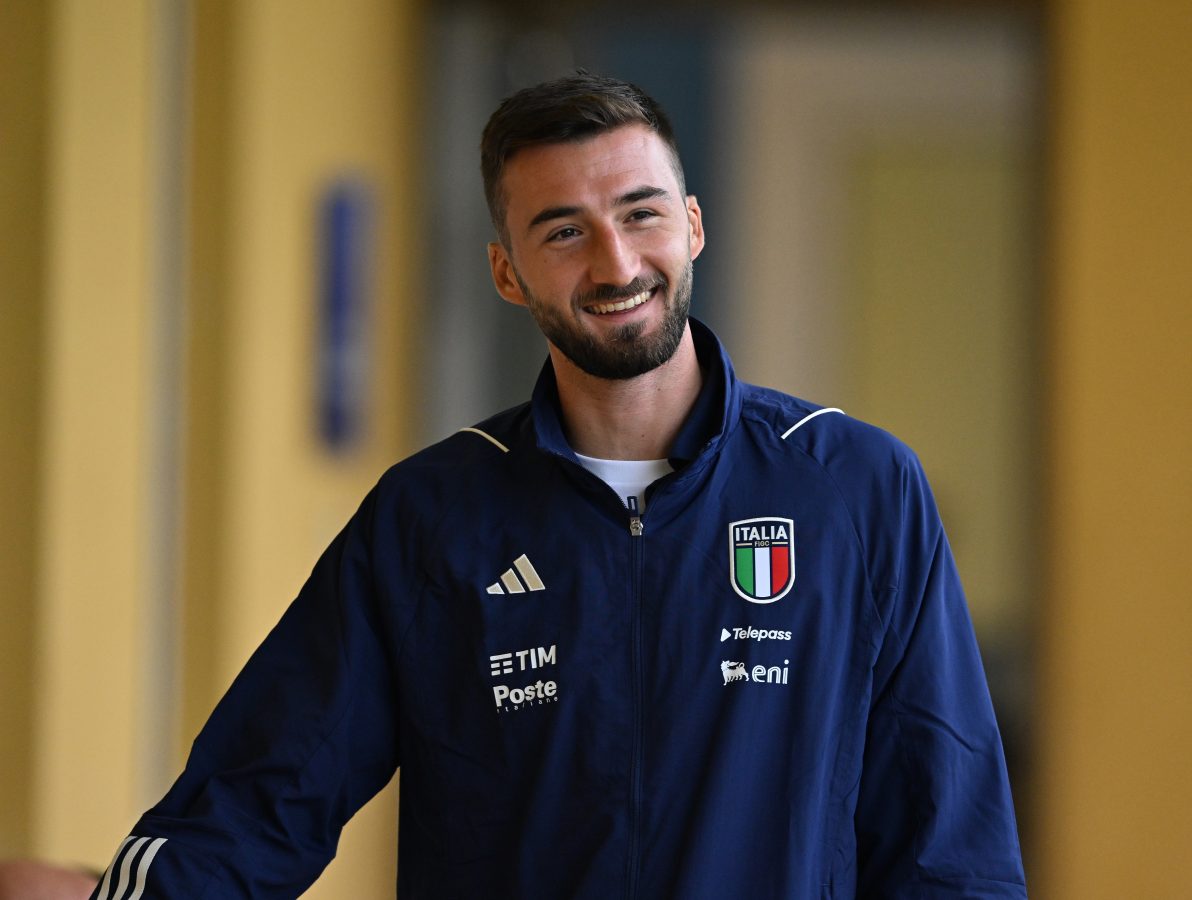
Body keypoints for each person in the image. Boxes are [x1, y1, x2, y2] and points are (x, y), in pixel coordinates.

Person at [90, 72, 1026, 899]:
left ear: (693, 225)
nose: (616, 264)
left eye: (641, 212)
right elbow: (262, 794)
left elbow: (948, 843)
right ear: (507, 271)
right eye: (564, 232)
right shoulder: (434, 516)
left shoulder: (854, 489)